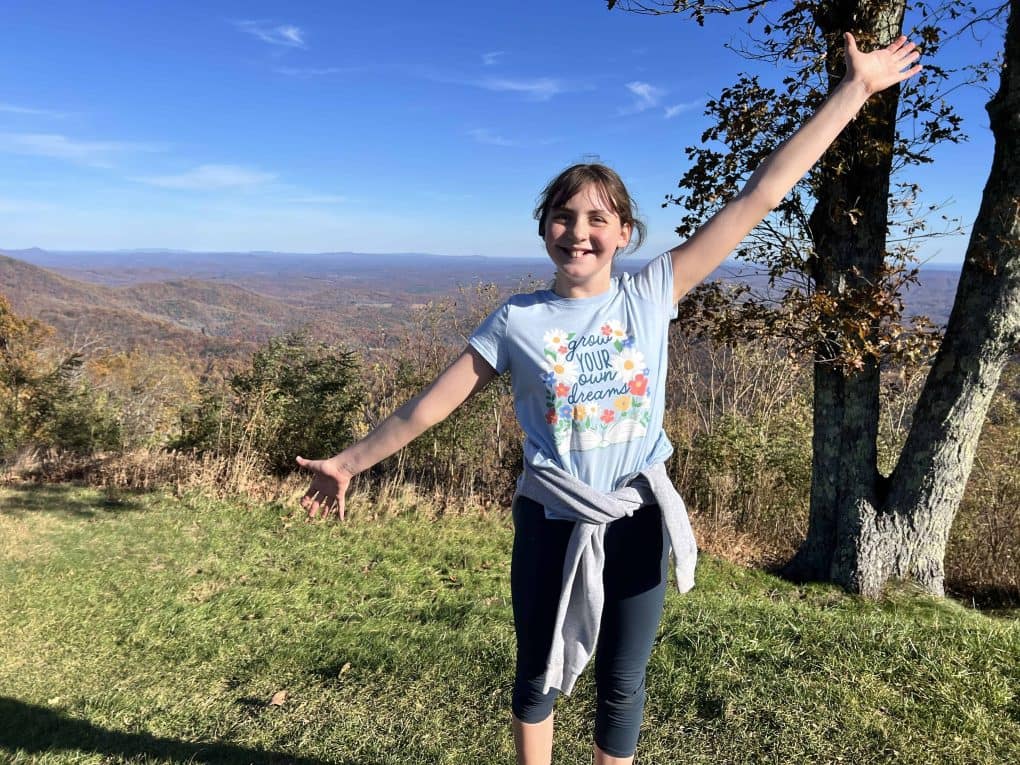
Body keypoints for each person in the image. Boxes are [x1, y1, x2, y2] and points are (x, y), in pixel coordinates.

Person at [297, 32, 921, 765]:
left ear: (624, 233)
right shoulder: (516, 321)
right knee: (537, 675)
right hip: (551, 515)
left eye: (598, 218)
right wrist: (351, 461)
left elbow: (763, 193)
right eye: (564, 217)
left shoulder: (652, 293)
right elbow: (429, 406)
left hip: (636, 513)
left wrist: (855, 90)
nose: (579, 231)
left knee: (623, 684)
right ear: (544, 231)